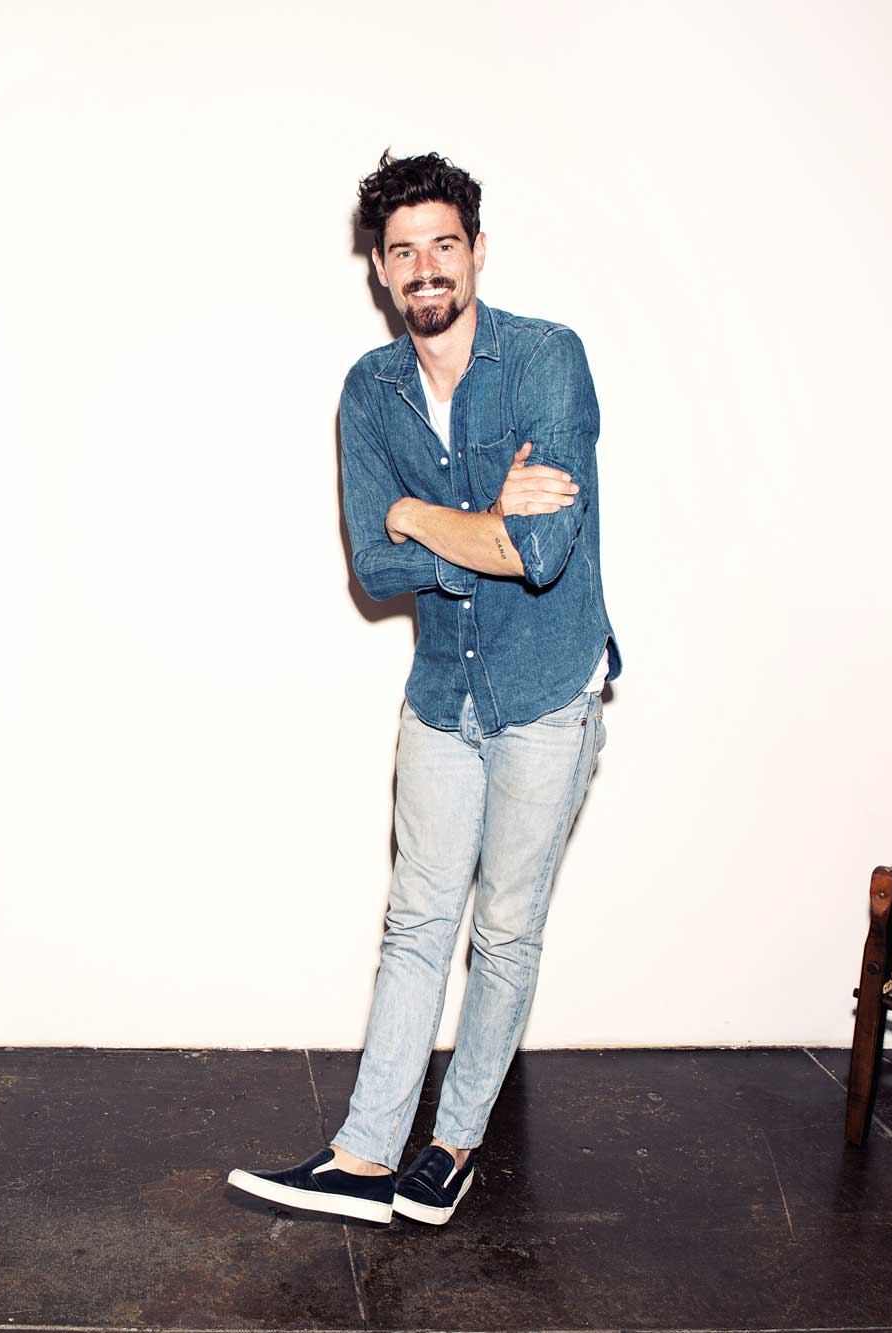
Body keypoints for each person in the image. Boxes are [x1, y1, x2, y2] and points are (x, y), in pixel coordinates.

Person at [229, 151, 620, 1226]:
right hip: (444, 688)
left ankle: (449, 1146)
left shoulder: (545, 359)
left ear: (477, 251)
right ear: (379, 269)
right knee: (415, 920)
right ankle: (363, 1157)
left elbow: (539, 552)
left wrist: (419, 515)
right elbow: (375, 563)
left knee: (504, 928)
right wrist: (460, 525)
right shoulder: (370, 389)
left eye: (443, 244)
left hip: (548, 687)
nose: (424, 267)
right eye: (401, 251)